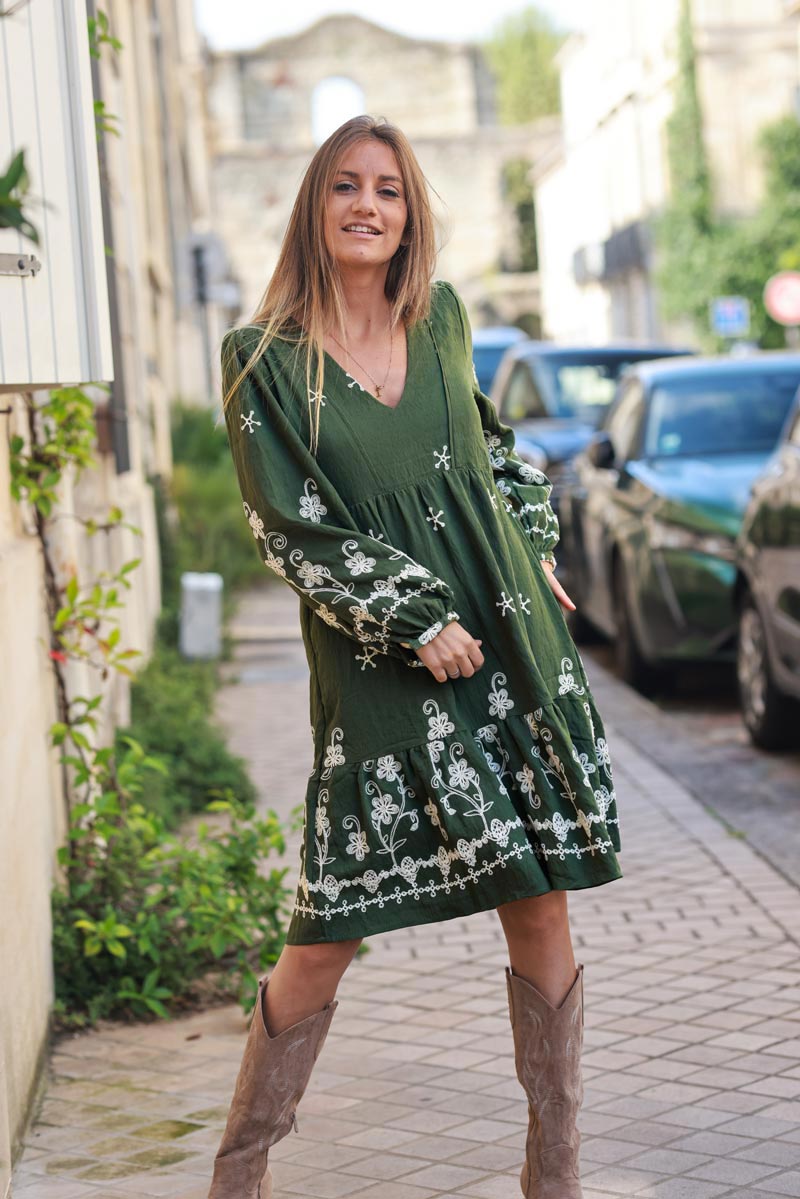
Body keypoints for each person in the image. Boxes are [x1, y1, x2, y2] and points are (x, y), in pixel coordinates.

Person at [210, 114, 621, 1199]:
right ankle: (237, 1174)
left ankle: (555, 1174)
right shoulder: (259, 361)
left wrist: (529, 551)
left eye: (387, 190)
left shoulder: (439, 317)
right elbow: (290, 528)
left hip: (505, 645)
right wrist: (413, 615)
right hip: (383, 665)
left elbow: (491, 452)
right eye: (344, 185)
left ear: (408, 213)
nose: (365, 205)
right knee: (328, 927)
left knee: (538, 898)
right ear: (314, 205)